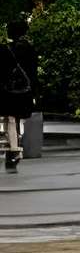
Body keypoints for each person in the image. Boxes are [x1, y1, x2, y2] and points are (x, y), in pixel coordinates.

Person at [1, 20, 35, 170]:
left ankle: (14, 148)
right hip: (25, 88)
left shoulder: (8, 49)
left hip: (9, 89)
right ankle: (16, 146)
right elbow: (33, 71)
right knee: (17, 117)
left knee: (11, 118)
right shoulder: (30, 49)